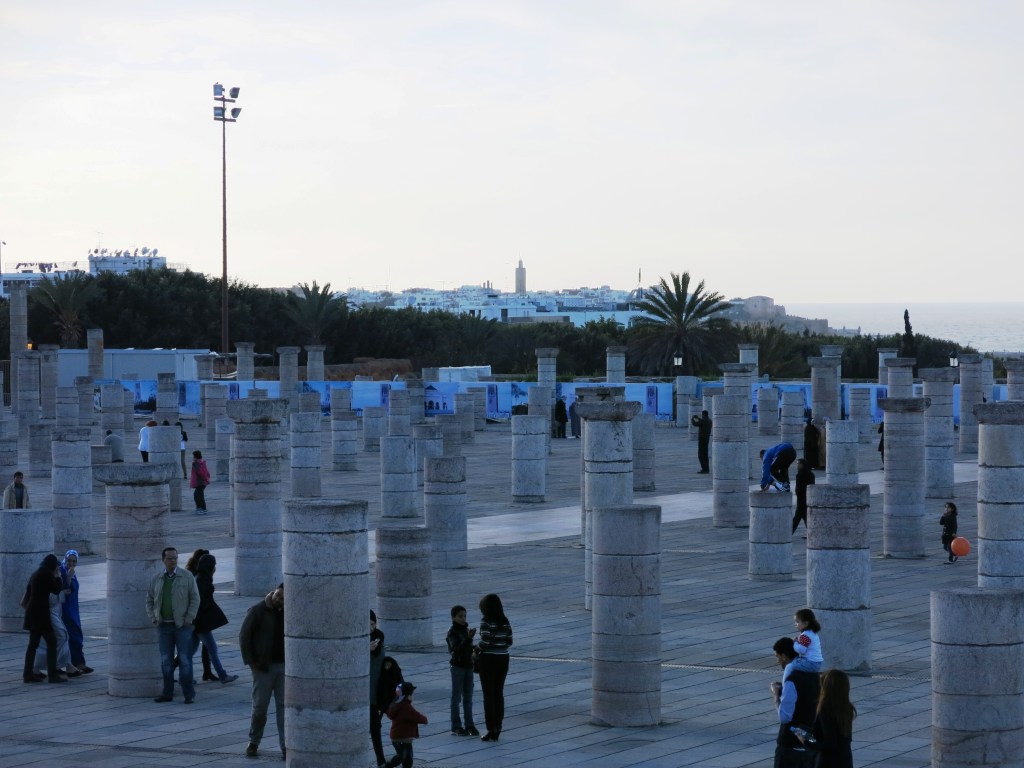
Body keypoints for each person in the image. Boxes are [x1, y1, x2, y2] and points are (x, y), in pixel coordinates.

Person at [145, 547, 200, 703]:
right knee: (166, 661)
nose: (173, 561)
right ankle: (167, 693)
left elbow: (195, 598)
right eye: (169, 558)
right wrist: (154, 617)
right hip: (164, 626)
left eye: (175, 558)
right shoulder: (157, 579)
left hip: (182, 626)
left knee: (185, 661)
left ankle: (188, 694)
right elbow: (149, 600)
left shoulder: (187, 577)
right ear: (163, 560)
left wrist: (189, 618)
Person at [240, 583, 286, 759]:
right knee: (260, 707)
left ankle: (285, 746)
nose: (278, 600)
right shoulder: (258, 610)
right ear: (274, 591)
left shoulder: (290, 610)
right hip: (263, 668)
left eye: (282, 598)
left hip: (283, 667)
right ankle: (254, 741)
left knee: (283, 708)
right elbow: (244, 636)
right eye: (277, 595)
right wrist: (251, 662)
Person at [770, 637, 821, 767]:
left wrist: (776, 695)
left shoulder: (791, 680)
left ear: (784, 656)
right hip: (810, 739)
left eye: (778, 656)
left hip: (790, 743)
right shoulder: (814, 675)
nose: (778, 660)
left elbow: (785, 717)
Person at [191, 554, 238, 685]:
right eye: (214, 565)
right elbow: (198, 602)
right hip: (201, 623)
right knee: (212, 648)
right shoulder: (202, 580)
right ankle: (222, 675)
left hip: (199, 623)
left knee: (190, 651)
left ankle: (183, 676)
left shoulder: (202, 578)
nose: (215, 568)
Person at [795, 668, 856, 768]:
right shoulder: (847, 707)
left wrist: (805, 741)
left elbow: (829, 744)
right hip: (845, 759)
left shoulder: (826, 709)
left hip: (828, 761)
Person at [476, 593, 513, 742]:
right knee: (498, 693)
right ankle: (498, 726)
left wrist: (476, 648)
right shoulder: (505, 621)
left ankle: (490, 728)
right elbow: (509, 641)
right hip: (503, 658)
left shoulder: (485, 622)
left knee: (488, 695)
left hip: (488, 659)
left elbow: (484, 642)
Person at [22, 554, 64, 683]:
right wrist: (58, 577)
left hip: (32, 612)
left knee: (33, 645)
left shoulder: (37, 573)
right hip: (40, 613)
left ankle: (27, 674)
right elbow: (56, 590)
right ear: (53, 566)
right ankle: (52, 675)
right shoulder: (46, 574)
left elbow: (28, 592)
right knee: (52, 642)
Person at [446, 604, 479, 737]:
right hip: (458, 666)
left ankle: (469, 725)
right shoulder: (452, 632)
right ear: (453, 617)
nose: (463, 619)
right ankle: (456, 726)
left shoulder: (466, 630)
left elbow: (467, 648)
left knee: (468, 697)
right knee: (456, 697)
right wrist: (468, 639)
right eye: (460, 616)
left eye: (464, 616)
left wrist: (475, 649)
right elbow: (456, 650)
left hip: (468, 666)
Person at [59, 549, 93, 674]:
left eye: (74, 561)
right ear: (65, 559)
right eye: (69, 560)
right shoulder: (62, 571)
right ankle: (77, 664)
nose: (71, 563)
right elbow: (65, 590)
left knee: (77, 635)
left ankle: (79, 663)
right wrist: (69, 575)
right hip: (66, 610)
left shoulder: (72, 572)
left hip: (74, 608)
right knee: (74, 637)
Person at [383, 681, 428, 768]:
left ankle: (387, 766)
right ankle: (387, 766)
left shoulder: (396, 704)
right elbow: (416, 716)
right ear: (407, 695)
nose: (413, 696)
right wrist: (425, 720)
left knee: (401, 756)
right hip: (404, 738)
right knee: (407, 758)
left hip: (396, 737)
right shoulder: (405, 707)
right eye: (412, 694)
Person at [370, 610, 387, 767]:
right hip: (363, 694)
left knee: (375, 728)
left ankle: (381, 760)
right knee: (374, 728)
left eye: (372, 624)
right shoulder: (358, 641)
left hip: (376, 693)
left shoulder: (379, 638)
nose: (370, 628)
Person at [788, 608, 824, 675]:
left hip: (810, 663)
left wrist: (795, 643)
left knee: (789, 666)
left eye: (797, 622)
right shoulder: (813, 633)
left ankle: (787, 684)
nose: (795, 624)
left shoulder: (805, 635)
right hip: (817, 663)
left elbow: (801, 650)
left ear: (806, 623)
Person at [792, 459, 816, 534]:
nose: (797, 465)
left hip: (801, 499)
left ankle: (788, 533)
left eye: (799, 464)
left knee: (797, 517)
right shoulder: (811, 474)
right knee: (805, 517)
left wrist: (797, 493)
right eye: (797, 463)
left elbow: (799, 488)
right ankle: (811, 533)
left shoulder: (800, 475)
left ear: (803, 464)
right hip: (809, 498)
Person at [190, 450, 211, 516]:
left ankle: (203, 509)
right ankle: (199, 508)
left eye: (193, 456)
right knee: (196, 495)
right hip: (203, 482)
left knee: (199, 496)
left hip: (199, 482)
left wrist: (204, 479)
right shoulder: (202, 462)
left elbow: (200, 472)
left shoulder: (196, 463)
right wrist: (206, 479)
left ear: (195, 457)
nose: (193, 457)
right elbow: (206, 471)